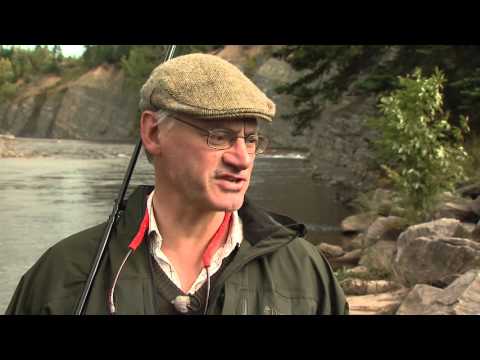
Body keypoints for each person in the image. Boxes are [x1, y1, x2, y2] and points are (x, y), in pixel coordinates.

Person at [6, 53, 348, 315]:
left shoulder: (305, 270)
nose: (242, 158)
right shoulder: (63, 272)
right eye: (219, 136)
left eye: (252, 139)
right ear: (153, 133)